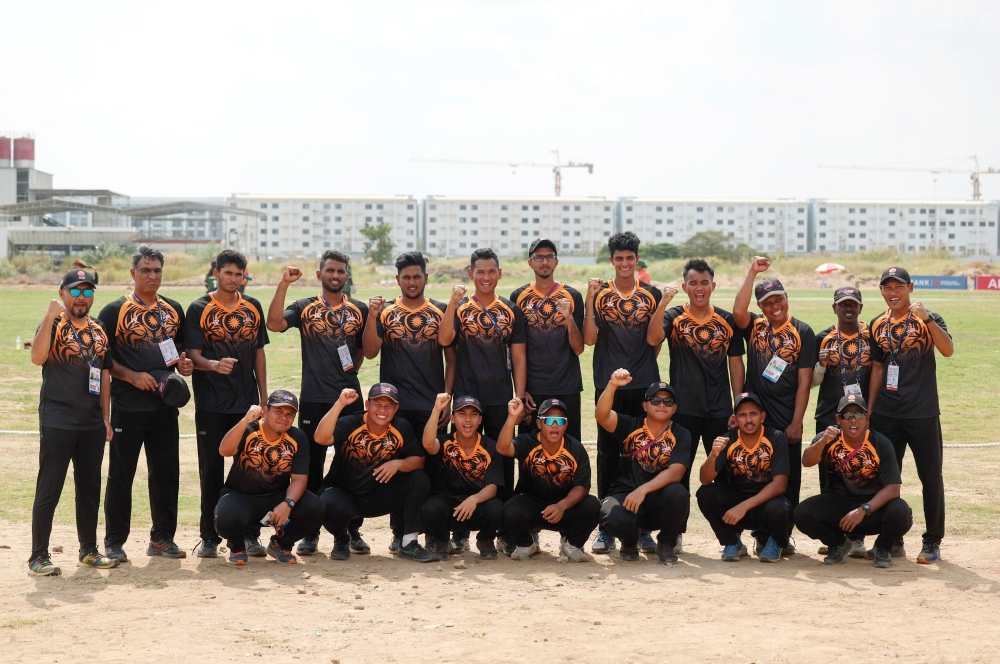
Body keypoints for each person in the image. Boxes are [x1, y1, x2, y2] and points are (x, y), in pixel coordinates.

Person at [266, 251, 370, 557]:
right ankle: (309, 533)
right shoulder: (304, 307)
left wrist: (346, 375)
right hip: (313, 400)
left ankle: (350, 530)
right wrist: (284, 283)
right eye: (330, 270)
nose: (335, 275)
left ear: (346, 276)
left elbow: (363, 351)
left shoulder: (359, 309)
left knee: (353, 465)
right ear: (319, 274)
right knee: (310, 468)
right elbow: (273, 324)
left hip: (350, 400)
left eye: (340, 271)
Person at [99, 244, 194, 562]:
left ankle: (162, 538)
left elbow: (178, 352)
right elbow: (103, 360)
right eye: (146, 270)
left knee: (167, 474)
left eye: (157, 270)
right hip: (128, 406)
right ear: (133, 273)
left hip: (165, 407)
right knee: (121, 476)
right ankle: (114, 542)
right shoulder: (114, 311)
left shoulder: (173, 309)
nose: (152, 275)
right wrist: (132, 376)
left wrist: (183, 367)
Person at [27, 262, 119, 575]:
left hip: (92, 423)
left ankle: (89, 550)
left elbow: (105, 375)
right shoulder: (53, 324)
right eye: (75, 291)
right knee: (49, 488)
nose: (81, 296)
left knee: (90, 488)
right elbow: (37, 357)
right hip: (58, 420)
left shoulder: (98, 330)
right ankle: (38, 556)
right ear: (62, 293)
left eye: (87, 291)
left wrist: (106, 418)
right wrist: (50, 315)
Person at [362, 251, 456, 551]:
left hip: (431, 408)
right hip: (396, 408)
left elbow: (451, 360)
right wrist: (373, 315)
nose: (412, 282)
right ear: (398, 280)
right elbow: (370, 352)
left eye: (417, 276)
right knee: (400, 470)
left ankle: (433, 532)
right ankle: (399, 532)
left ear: (426, 278)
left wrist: (447, 401)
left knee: (434, 471)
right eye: (406, 277)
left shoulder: (441, 310)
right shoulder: (386, 311)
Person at [647, 257, 745, 547]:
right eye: (693, 283)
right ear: (684, 286)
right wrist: (663, 303)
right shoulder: (674, 316)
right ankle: (674, 533)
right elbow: (653, 339)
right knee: (679, 475)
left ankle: (732, 537)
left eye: (704, 283)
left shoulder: (726, 320)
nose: (699, 288)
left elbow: (736, 365)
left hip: (719, 411)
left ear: (713, 285)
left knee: (727, 474)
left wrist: (737, 406)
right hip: (684, 411)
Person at [438, 248, 526, 555]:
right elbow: (444, 339)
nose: (486, 277)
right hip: (467, 397)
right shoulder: (461, 306)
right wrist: (451, 303)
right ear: (471, 274)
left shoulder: (511, 309)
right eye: (480, 272)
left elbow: (518, 355)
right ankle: (460, 529)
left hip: (501, 397)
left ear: (499, 274)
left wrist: (518, 394)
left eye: (491, 271)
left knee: (502, 459)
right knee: (462, 460)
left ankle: (499, 530)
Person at [185, 249, 269, 558]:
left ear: (244, 275)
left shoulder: (253, 307)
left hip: (246, 405)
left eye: (239, 273)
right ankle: (209, 537)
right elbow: (193, 354)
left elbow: (259, 352)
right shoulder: (199, 308)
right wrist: (212, 365)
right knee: (212, 473)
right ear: (216, 273)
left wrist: (262, 396)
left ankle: (250, 534)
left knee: (251, 471)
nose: (233, 278)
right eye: (228, 272)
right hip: (211, 405)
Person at [867, 266, 953, 563]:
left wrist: (927, 318)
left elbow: (948, 350)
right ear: (881, 291)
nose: (893, 292)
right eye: (887, 287)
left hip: (922, 412)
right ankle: (893, 539)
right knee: (889, 478)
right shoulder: (877, 324)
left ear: (910, 288)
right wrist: (870, 410)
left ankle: (932, 541)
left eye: (899, 287)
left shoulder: (928, 318)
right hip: (887, 414)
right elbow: (878, 368)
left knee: (931, 477)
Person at [584, 231, 663, 555]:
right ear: (612, 260)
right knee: (609, 456)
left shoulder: (652, 294)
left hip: (644, 385)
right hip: (608, 385)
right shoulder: (600, 293)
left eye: (630, 258)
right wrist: (589, 298)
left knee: (645, 456)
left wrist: (641, 368)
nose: (625, 263)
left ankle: (644, 528)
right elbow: (589, 339)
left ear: (636, 259)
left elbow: (654, 340)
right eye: (619, 258)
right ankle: (607, 528)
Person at [733, 256, 815, 553]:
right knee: (756, 476)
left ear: (787, 298)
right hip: (757, 419)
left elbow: (805, 381)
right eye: (767, 302)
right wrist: (752, 272)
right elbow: (738, 310)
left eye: (778, 299)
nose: (774, 306)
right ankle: (760, 534)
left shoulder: (803, 331)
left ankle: (782, 536)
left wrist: (796, 421)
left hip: (785, 419)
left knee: (788, 479)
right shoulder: (755, 326)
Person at [313, 383, 437, 563]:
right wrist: (339, 404)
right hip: (344, 494)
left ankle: (409, 543)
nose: (382, 410)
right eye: (377, 404)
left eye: (388, 406)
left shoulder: (400, 427)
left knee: (419, 479)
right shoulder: (352, 423)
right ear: (367, 405)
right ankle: (342, 540)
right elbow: (321, 437)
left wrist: (398, 463)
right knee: (327, 503)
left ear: (396, 409)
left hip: (377, 496)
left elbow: (419, 460)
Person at [795, 394, 913, 568]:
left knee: (902, 512)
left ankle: (883, 548)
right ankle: (837, 543)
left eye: (858, 415)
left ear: (867, 419)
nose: (853, 420)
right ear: (838, 419)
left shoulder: (881, 443)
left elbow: (893, 489)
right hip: (840, 505)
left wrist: (863, 510)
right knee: (802, 513)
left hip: (872, 507)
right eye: (847, 415)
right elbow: (807, 461)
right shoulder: (828, 437)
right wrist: (823, 442)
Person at [215, 390, 324, 565]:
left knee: (315, 507)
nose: (284, 417)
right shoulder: (250, 429)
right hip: (241, 497)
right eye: (278, 411)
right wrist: (244, 421)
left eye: (290, 414)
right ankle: (237, 546)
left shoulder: (297, 437)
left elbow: (299, 479)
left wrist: (288, 503)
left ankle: (281, 544)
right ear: (265, 411)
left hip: (276, 498)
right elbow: (224, 451)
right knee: (226, 517)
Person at [595, 370, 691, 564]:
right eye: (656, 400)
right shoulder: (631, 425)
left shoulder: (681, 434)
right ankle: (630, 541)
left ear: (674, 408)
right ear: (645, 405)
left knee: (679, 493)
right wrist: (613, 384)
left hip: (658, 498)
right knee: (610, 516)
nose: (662, 405)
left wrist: (643, 490)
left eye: (668, 402)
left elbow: (676, 472)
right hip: (626, 493)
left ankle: (666, 544)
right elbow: (602, 415)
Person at [496, 398, 600, 562]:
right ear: (539, 424)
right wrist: (511, 417)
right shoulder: (528, 442)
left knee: (593, 505)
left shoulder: (575, 449)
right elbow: (502, 448)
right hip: (533, 507)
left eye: (560, 421)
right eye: (549, 420)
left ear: (565, 425)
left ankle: (572, 544)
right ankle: (526, 544)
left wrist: (562, 505)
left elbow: (583, 486)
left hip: (563, 508)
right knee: (509, 509)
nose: (554, 425)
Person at [696, 392, 792, 563]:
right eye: (742, 415)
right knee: (705, 493)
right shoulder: (728, 439)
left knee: (781, 507)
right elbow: (705, 480)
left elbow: (780, 485)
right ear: (735, 419)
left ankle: (776, 542)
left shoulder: (776, 437)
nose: (748, 420)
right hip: (738, 502)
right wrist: (712, 455)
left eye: (753, 414)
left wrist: (743, 507)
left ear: (762, 416)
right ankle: (732, 542)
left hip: (765, 505)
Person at [810, 286, 870, 558]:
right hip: (828, 415)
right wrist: (821, 365)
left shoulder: (870, 337)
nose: (848, 308)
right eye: (843, 304)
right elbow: (811, 382)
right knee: (829, 476)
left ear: (860, 307)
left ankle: (857, 537)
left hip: (860, 418)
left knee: (860, 475)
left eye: (853, 304)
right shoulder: (823, 337)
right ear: (833, 308)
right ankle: (834, 536)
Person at [509, 237, 585, 442]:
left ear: (556, 262)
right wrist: (522, 392)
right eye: (539, 257)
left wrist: (568, 317)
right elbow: (516, 350)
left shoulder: (572, 296)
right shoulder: (518, 296)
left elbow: (579, 349)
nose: (544, 261)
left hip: (567, 386)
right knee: (530, 447)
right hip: (533, 389)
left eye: (549, 257)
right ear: (530, 262)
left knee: (569, 445)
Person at [421, 394, 504, 561]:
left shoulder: (490, 446)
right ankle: (442, 541)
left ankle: (486, 540)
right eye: (461, 414)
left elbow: (493, 487)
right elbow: (428, 444)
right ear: (452, 418)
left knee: (496, 507)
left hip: (476, 507)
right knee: (431, 508)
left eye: (473, 415)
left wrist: (474, 499)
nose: (468, 420)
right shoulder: (445, 442)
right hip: (448, 506)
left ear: (480, 420)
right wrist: (437, 409)